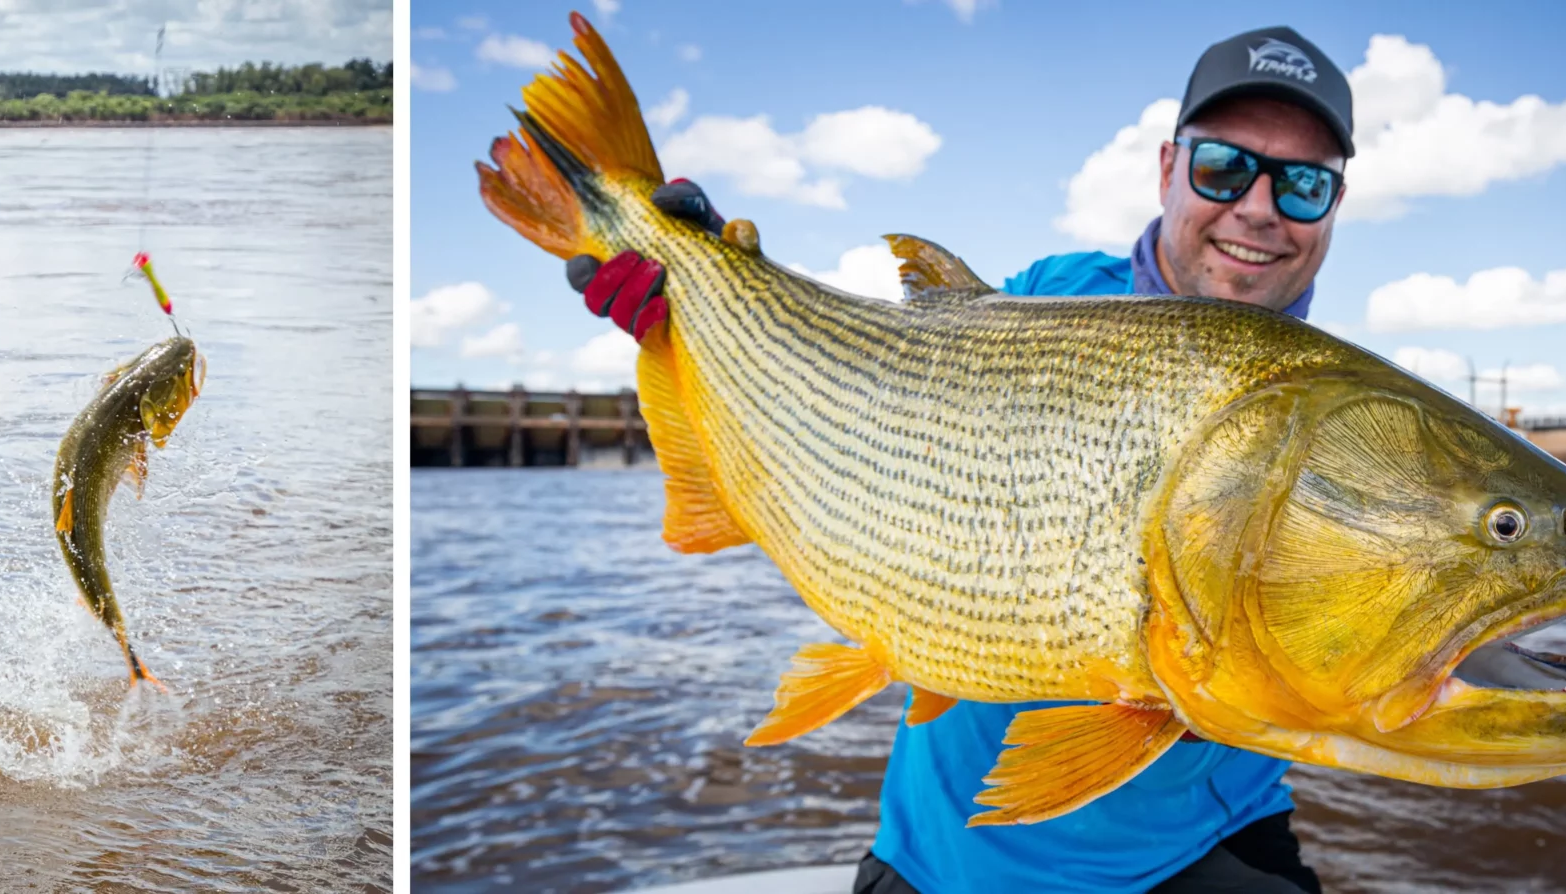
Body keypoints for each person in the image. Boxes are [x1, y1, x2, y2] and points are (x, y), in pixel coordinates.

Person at [565, 25, 1353, 894]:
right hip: (948, 853)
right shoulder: (1054, 297)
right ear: (1168, 167)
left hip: (1209, 848)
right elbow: (884, 392)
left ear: (1332, 209)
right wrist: (709, 297)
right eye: (1223, 168)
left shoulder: (1348, 412)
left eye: (1304, 184)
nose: (1258, 206)